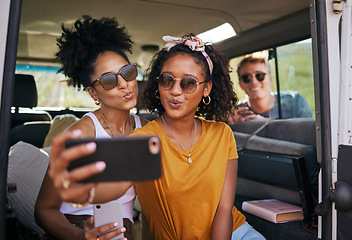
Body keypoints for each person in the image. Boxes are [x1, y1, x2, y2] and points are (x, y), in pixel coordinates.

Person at [47, 35, 266, 239]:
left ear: (206, 88)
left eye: (188, 83)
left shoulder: (222, 134)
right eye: (167, 80)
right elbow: (114, 186)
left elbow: (224, 208)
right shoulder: (142, 138)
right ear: (157, 84)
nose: (176, 91)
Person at [34, 15, 148, 240]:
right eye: (109, 80)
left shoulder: (145, 128)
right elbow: (44, 210)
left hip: (122, 231)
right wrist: (80, 236)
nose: (124, 84)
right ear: (93, 93)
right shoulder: (80, 134)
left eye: (128, 72)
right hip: (76, 228)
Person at [227, 55, 312, 124]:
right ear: (240, 84)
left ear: (270, 79)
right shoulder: (237, 113)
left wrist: (263, 123)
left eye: (260, 76)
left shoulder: (296, 103)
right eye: (246, 78)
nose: (254, 82)